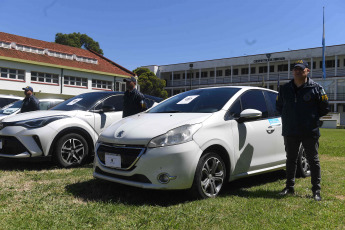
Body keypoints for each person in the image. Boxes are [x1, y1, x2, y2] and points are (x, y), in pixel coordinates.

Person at [276, 60, 329, 201]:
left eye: (301, 69)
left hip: (309, 130)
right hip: (290, 130)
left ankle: (316, 190)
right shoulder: (285, 88)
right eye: (295, 69)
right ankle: (289, 187)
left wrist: (310, 118)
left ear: (307, 71)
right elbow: (279, 106)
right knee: (291, 159)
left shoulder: (316, 88)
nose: (297, 71)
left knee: (313, 160)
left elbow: (324, 108)